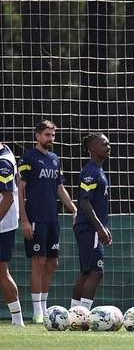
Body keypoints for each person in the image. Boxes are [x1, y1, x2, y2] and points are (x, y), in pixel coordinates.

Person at [18, 120, 77, 324]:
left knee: (52, 263)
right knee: (38, 261)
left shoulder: (55, 159)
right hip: (35, 218)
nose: (50, 139)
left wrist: (74, 208)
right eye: (47, 135)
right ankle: (37, 312)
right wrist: (24, 219)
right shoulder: (27, 158)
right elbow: (20, 190)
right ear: (37, 136)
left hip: (53, 218)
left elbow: (60, 189)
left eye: (53, 135)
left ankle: (44, 306)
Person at [70, 133, 113, 310]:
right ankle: (84, 314)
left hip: (91, 228)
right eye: (104, 144)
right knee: (96, 271)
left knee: (87, 272)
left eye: (108, 144)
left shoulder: (98, 170)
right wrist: (100, 227)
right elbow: (84, 202)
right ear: (93, 148)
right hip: (89, 228)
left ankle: (74, 313)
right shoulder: (90, 171)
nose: (108, 147)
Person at [0, 141, 24, 326]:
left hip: (3, 225)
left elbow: (8, 197)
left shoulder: (3, 162)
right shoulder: (6, 150)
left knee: (2, 272)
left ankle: (17, 321)